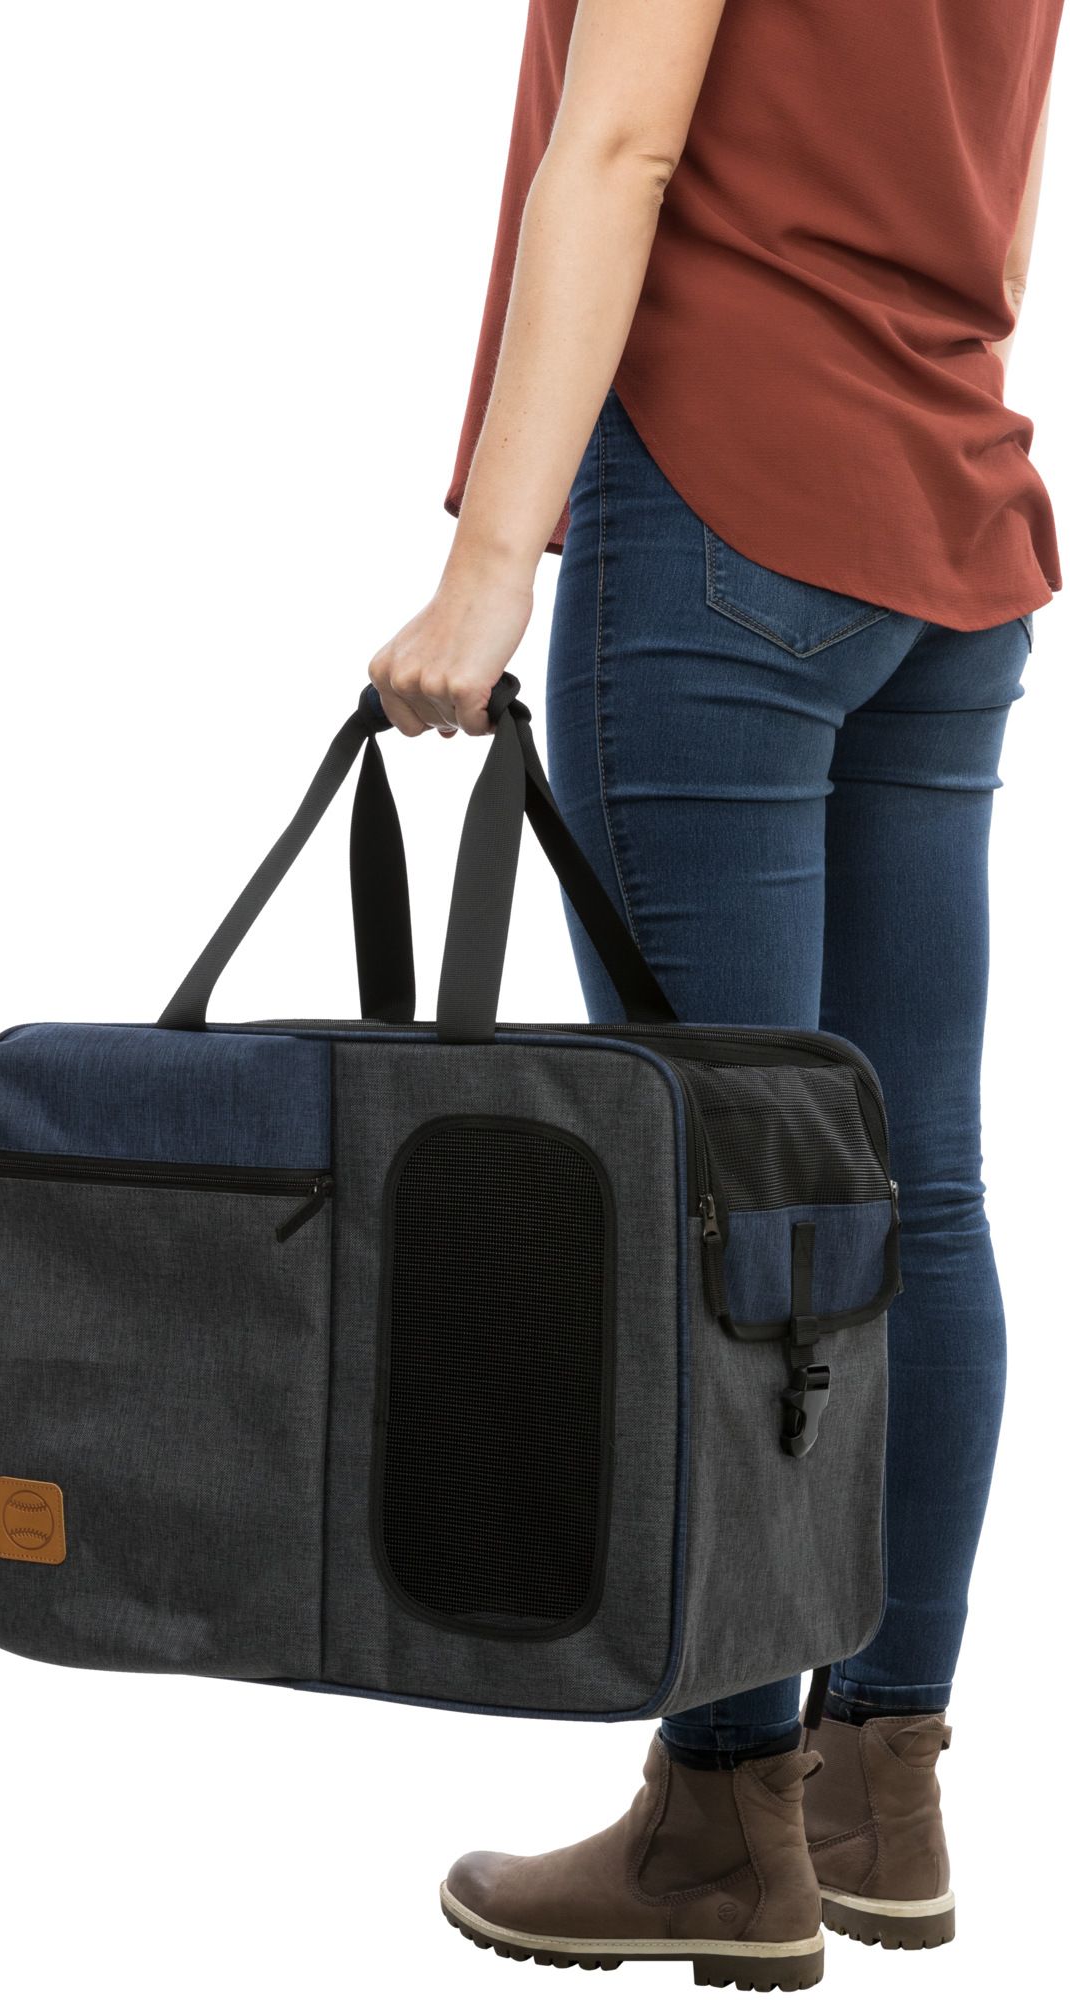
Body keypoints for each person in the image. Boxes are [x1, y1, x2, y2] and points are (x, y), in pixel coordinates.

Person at [368, 0, 1062, 1981]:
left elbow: (619, 148)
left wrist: (493, 560)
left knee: (717, 1198)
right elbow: (1002, 187)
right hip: (944, 511)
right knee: (911, 1188)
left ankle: (721, 1818)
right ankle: (875, 1789)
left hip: (724, 508)